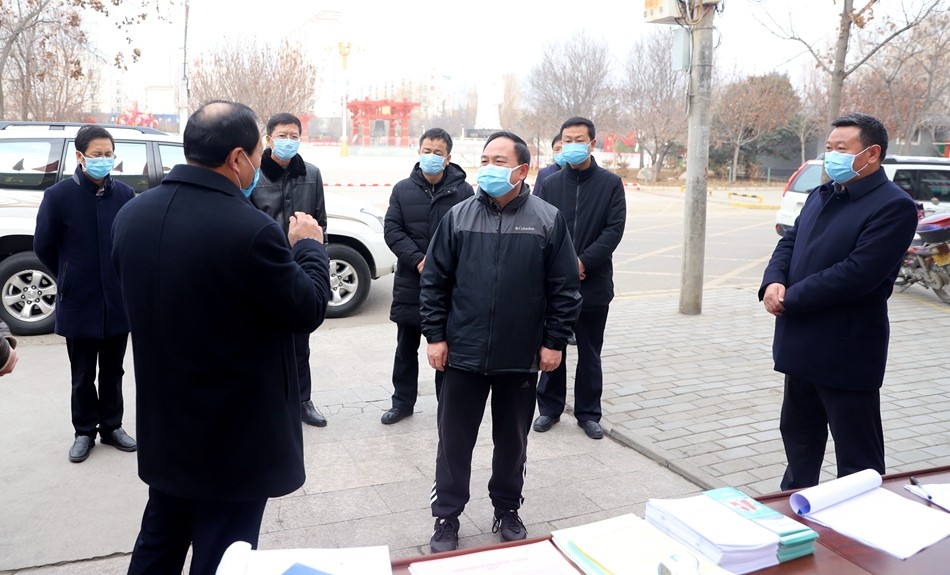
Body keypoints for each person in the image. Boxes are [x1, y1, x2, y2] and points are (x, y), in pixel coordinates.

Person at [112, 100, 331, 573]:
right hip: (232, 442)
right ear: (237, 158)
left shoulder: (132, 215)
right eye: (257, 154)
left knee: (159, 542)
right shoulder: (249, 229)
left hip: (166, 427)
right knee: (223, 556)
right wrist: (310, 247)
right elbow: (308, 308)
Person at [421, 131, 581, 553]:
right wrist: (435, 336)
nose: (488, 168)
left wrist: (554, 342)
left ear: (521, 170)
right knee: (454, 443)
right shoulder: (457, 217)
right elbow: (434, 282)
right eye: (485, 160)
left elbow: (565, 289)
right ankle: (446, 516)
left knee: (513, 443)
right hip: (462, 354)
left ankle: (507, 508)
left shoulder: (547, 219)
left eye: (499, 161)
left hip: (520, 357)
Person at [759, 113, 918, 490]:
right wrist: (773, 282)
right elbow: (789, 242)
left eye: (841, 149)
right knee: (799, 440)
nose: (831, 156)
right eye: (829, 148)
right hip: (800, 344)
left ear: (872, 153)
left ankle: (861, 520)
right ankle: (796, 506)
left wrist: (791, 298)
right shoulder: (822, 194)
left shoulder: (893, 206)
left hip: (847, 350)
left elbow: (857, 273)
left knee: (858, 458)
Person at [34, 124, 137, 463]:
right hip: (79, 298)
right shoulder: (58, 196)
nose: (104, 160)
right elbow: (44, 246)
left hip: (116, 299)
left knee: (113, 371)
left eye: (109, 155)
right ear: (80, 156)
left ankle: (112, 426)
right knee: (82, 374)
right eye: (97, 155)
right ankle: (83, 431)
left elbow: (130, 241)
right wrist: (69, 274)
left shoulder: (125, 195)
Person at [533, 117, 627, 440]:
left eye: (578, 140)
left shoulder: (610, 184)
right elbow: (540, 227)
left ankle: (588, 413)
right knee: (552, 344)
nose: (571, 145)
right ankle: (549, 407)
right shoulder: (550, 184)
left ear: (592, 144)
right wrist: (564, 266)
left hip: (594, 283)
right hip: (555, 285)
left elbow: (614, 230)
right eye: (567, 140)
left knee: (590, 352)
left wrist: (583, 262)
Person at [381, 128, 474, 425]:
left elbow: (470, 234)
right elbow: (392, 230)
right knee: (405, 350)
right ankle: (402, 402)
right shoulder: (402, 189)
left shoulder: (463, 192)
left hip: (448, 286)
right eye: (426, 151)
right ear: (418, 152)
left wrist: (441, 264)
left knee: (445, 351)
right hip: (411, 283)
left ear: (447, 158)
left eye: (437, 153)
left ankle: (446, 406)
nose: (431, 156)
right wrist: (419, 260)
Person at [251, 112, 329, 427]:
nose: (288, 141)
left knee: (299, 341)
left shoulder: (311, 174)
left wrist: (316, 258)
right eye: (282, 135)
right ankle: (266, 401)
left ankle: (302, 400)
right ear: (269, 139)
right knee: (263, 341)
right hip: (264, 269)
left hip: (299, 269)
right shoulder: (255, 175)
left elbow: (321, 222)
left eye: (294, 135)